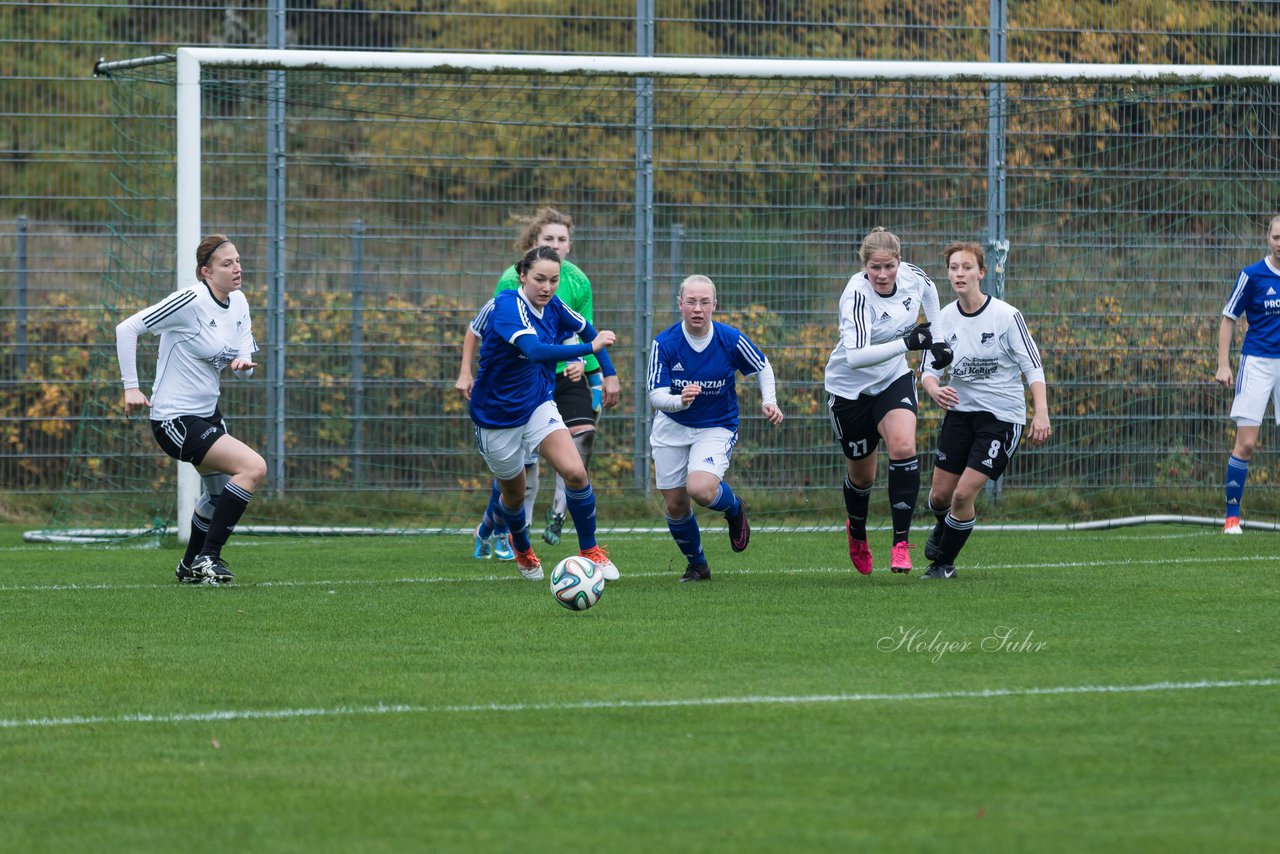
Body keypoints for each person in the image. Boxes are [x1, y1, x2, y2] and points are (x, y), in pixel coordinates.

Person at [455, 207, 621, 558]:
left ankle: (590, 550)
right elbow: (532, 349)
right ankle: (513, 540)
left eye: (553, 280)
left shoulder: (564, 296)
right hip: (497, 412)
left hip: (538, 398)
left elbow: (586, 329)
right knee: (515, 491)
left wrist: (606, 372)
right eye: (540, 279)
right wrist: (587, 348)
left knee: (576, 469)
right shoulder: (506, 303)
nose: (547, 287)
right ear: (522, 274)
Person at [115, 234, 267, 584]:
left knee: (217, 495)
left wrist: (242, 366)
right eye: (227, 264)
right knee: (253, 468)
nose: (237, 268)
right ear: (206, 271)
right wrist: (131, 387)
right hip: (174, 419)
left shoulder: (239, 302)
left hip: (207, 415)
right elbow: (127, 328)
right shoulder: (190, 300)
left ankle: (188, 567)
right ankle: (209, 557)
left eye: (238, 261)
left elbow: (244, 360)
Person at [919, 242, 1051, 579]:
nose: (959, 273)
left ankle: (943, 564)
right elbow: (929, 372)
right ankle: (946, 528)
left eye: (966, 267)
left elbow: (1033, 368)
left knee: (963, 494)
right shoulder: (943, 319)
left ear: (981, 272)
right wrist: (934, 389)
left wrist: (1041, 413)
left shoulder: (1006, 316)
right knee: (939, 497)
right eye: (953, 268)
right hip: (960, 414)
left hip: (1001, 418)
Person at [823, 227, 948, 575]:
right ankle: (858, 532)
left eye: (889, 266)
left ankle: (900, 544)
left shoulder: (912, 277)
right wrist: (909, 343)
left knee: (904, 445)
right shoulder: (856, 295)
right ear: (865, 266)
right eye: (875, 267)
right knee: (863, 477)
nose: (882, 274)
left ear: (899, 261)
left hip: (893, 379)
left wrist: (937, 339)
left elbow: (931, 291)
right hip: (850, 392)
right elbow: (857, 357)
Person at [647, 275, 784, 582]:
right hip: (671, 426)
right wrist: (679, 401)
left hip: (716, 426)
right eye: (691, 302)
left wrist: (769, 401)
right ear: (680, 304)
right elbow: (655, 395)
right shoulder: (665, 343)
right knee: (675, 503)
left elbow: (762, 366)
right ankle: (698, 565)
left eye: (705, 302)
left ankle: (734, 509)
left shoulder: (729, 338)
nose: (698, 308)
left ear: (714, 306)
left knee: (700, 489)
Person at [1215, 215, 1280, 534]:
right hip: (1256, 363)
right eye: (1277, 237)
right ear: (1268, 238)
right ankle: (1231, 518)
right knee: (1247, 444)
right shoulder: (1252, 276)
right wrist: (1223, 363)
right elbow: (1228, 317)